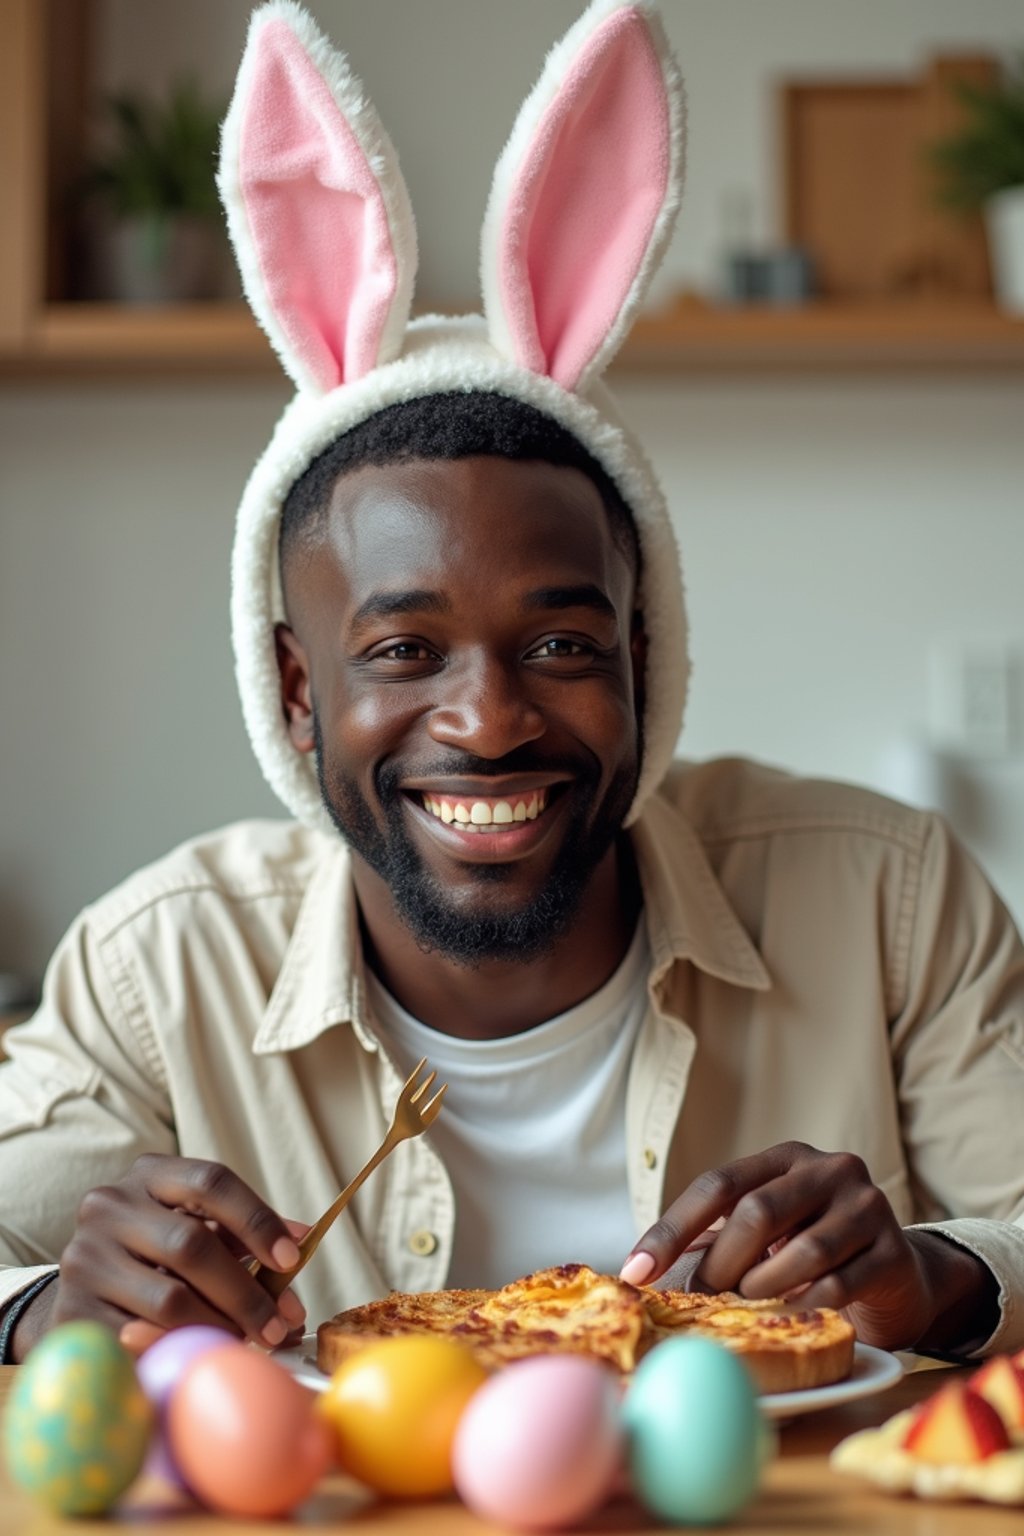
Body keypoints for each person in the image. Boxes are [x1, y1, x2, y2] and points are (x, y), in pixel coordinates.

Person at [2, 0, 1022, 1369]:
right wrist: (43, 1308)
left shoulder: (891, 904)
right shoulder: (161, 971)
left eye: (560, 645)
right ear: (297, 691)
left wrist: (940, 1277)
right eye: (404, 651)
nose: (487, 723)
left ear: (646, 662)